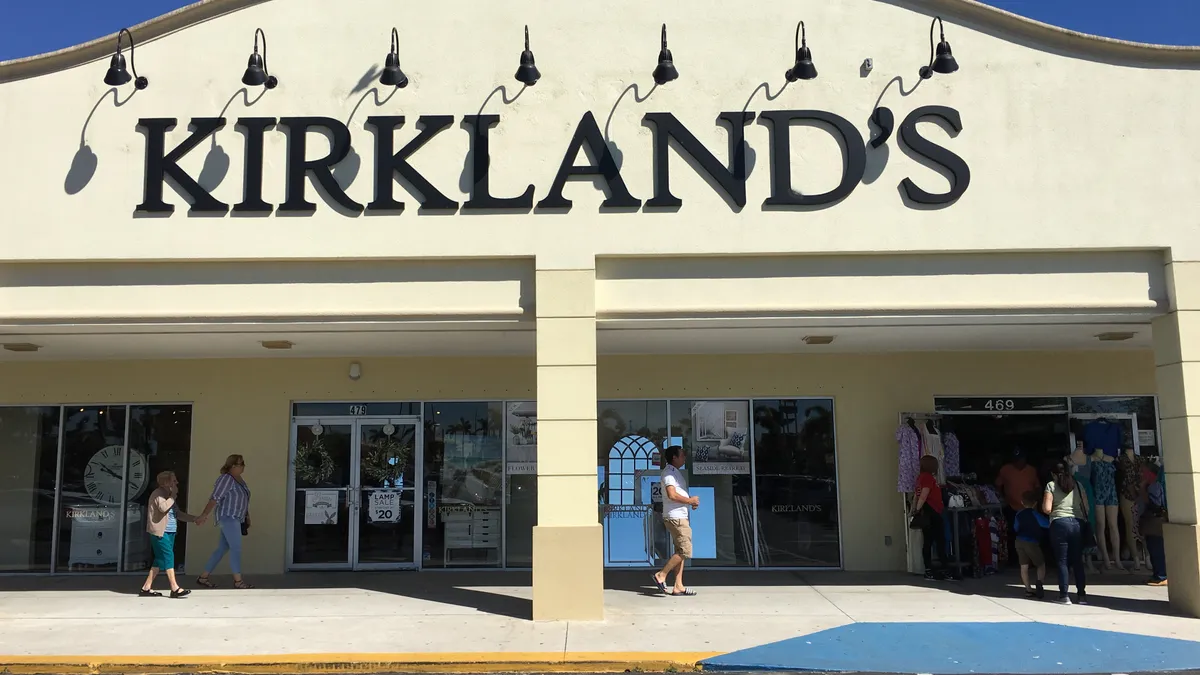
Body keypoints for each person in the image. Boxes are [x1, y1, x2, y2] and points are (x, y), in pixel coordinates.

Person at [195, 454, 253, 589]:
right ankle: (238, 581)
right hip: (228, 517)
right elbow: (215, 498)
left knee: (222, 548)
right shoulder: (227, 479)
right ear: (232, 466)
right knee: (236, 548)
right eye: (240, 464)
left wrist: (246, 516)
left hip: (237, 517)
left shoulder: (239, 480)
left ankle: (203, 577)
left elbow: (243, 499)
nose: (243, 466)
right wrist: (204, 515)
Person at [140, 471, 197, 598]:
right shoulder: (158, 494)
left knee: (159, 560)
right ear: (166, 482)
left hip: (170, 531)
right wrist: (173, 496)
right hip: (161, 532)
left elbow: (178, 514)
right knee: (168, 557)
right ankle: (174, 588)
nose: (177, 483)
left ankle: (146, 587)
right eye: (174, 480)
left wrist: (194, 519)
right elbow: (162, 508)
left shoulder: (168, 495)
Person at [653, 444, 699, 596]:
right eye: (682, 454)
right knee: (685, 551)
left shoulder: (675, 473)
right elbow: (672, 495)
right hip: (676, 517)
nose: (684, 457)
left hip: (679, 516)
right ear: (674, 457)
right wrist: (690, 500)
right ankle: (661, 575)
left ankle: (678, 586)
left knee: (680, 551)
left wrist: (689, 502)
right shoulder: (669, 474)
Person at [1043, 461, 1090, 605]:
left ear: (1052, 473)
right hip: (1077, 523)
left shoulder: (1051, 485)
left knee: (1062, 561)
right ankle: (1081, 595)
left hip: (1059, 524)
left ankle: (1064, 595)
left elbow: (1047, 508)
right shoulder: (1078, 485)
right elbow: (1086, 508)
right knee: (1077, 561)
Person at [996, 448, 1040, 565]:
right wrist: (1002, 497)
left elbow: (1037, 487)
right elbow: (998, 485)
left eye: (1020, 460)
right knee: (1014, 535)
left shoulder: (1031, 470)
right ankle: (1016, 560)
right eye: (1015, 460)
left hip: (1028, 509)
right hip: (1012, 508)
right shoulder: (1005, 470)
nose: (1018, 463)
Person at [911, 454, 947, 581]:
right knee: (938, 540)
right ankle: (941, 569)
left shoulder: (921, 478)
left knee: (929, 541)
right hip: (931, 511)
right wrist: (918, 509)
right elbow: (923, 495)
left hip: (928, 511)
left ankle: (931, 569)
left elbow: (916, 495)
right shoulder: (927, 478)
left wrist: (914, 510)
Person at [1013, 490, 1048, 599]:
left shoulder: (1018, 514)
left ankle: (1028, 589)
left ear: (1022, 502)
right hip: (1031, 542)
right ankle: (1039, 583)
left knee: (1024, 566)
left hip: (1019, 541)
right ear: (1035, 503)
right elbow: (1046, 524)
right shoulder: (1035, 514)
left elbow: (1015, 527)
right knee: (1041, 564)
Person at [1140, 462, 1168, 586]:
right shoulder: (1153, 485)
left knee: (1156, 549)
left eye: (1143, 471)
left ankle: (1161, 575)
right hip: (1153, 522)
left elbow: (1154, 504)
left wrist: (1142, 489)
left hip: (1154, 522)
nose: (1140, 474)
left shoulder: (1153, 486)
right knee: (1154, 549)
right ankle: (1157, 574)